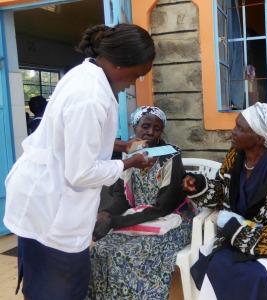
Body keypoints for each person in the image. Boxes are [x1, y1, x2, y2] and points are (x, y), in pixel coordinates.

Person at [3, 23, 156, 300]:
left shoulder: (84, 74)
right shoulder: (91, 97)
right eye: (138, 75)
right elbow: (80, 172)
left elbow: (72, 138)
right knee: (59, 286)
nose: (135, 83)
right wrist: (129, 162)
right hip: (51, 205)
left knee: (43, 282)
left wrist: (121, 145)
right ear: (123, 64)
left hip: (41, 194)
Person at [182, 102, 267, 300]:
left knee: (257, 275)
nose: (232, 131)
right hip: (237, 233)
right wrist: (198, 185)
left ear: (259, 138)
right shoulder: (235, 157)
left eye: (240, 128)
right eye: (236, 125)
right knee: (216, 263)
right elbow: (221, 190)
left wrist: (239, 233)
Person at [86, 106, 194, 300]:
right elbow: (121, 197)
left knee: (130, 254)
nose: (150, 132)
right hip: (140, 217)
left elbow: (164, 206)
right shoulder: (129, 154)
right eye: (145, 126)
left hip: (173, 219)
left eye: (157, 128)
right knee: (101, 250)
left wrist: (115, 222)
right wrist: (107, 214)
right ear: (135, 127)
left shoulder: (170, 155)